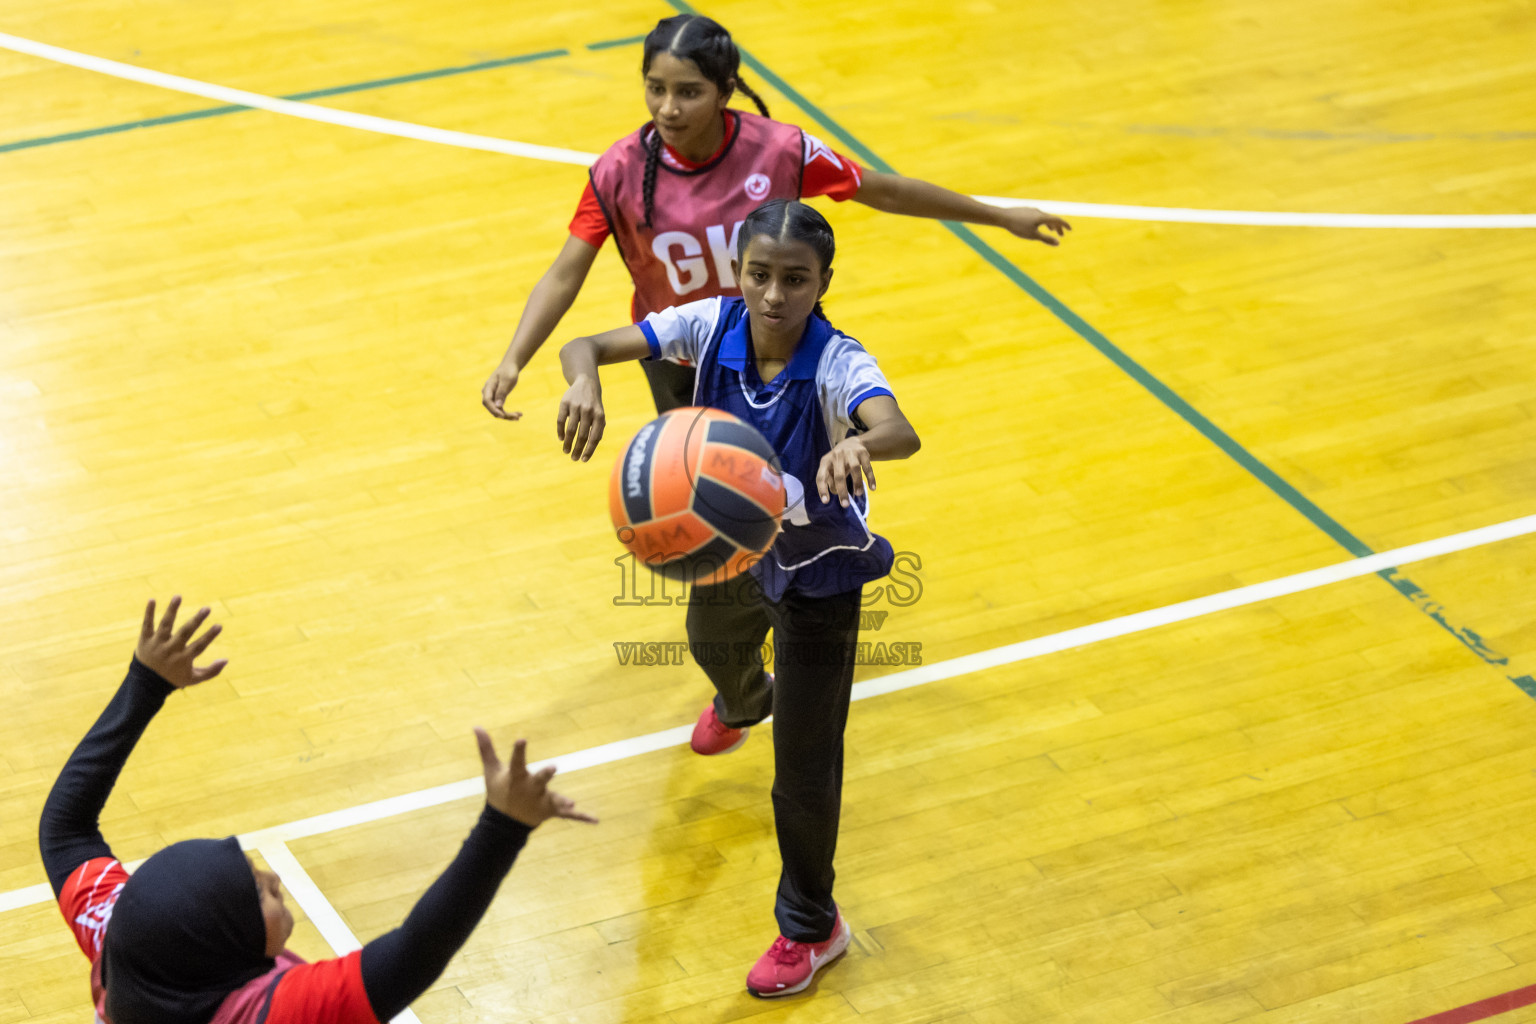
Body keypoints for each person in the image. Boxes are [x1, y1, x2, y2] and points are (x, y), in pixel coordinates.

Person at [554, 199, 919, 997]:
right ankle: (746, 699)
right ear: (740, 273)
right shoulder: (711, 324)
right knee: (711, 648)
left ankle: (813, 928)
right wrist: (583, 381)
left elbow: (898, 428)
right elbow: (585, 342)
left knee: (803, 771)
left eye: (796, 279)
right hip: (735, 557)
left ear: (824, 283)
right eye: (760, 275)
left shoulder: (836, 362)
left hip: (821, 579)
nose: (775, 295)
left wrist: (857, 441)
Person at [482, 12, 1068, 419]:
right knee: (705, 501)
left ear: (725, 90)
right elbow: (565, 273)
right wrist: (514, 360)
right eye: (654, 88)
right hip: (679, 360)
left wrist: (997, 215)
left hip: (778, 348)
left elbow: (882, 190)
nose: (667, 107)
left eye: (687, 91)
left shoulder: (780, 151)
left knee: (785, 498)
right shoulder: (617, 171)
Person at [39, 596, 595, 1024]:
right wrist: (501, 828)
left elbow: (65, 832)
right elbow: (411, 958)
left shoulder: (134, 946)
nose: (274, 878)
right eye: (258, 893)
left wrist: (146, 683)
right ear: (224, 945)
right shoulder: (272, 1013)